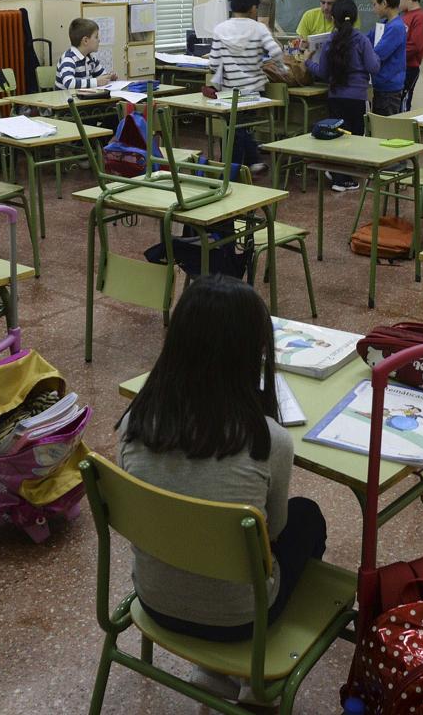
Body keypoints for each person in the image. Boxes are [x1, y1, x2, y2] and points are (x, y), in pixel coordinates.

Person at [118, 275, 328, 701]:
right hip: (242, 621)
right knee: (308, 518)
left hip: (153, 600)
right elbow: (272, 533)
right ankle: (258, 680)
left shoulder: (132, 423)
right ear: (252, 354)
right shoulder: (269, 440)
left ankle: (213, 670)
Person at [208, 0, 288, 173]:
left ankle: (238, 166)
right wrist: (281, 67)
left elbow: (213, 63)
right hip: (254, 92)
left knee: (235, 128)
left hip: (229, 93)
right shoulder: (259, 28)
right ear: (253, 7)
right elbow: (275, 50)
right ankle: (242, 166)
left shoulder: (220, 29)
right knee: (241, 128)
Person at [306, 0, 380, 192]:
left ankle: (338, 174)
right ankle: (344, 179)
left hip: (336, 96)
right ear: (355, 18)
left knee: (337, 137)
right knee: (354, 137)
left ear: (333, 19)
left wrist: (307, 62)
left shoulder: (331, 41)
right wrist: (376, 57)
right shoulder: (362, 40)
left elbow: (322, 72)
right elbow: (374, 67)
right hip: (357, 98)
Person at [366, 0, 407, 117]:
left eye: (374, 4)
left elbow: (378, 54)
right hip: (381, 86)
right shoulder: (384, 24)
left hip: (389, 90)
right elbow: (365, 40)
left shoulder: (396, 27)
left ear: (384, 3)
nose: (373, 9)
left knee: (385, 130)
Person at [395, 0, 423, 112]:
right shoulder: (403, 16)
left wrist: (395, 54)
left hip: (409, 68)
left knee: (403, 101)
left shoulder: (420, 17)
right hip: (399, 67)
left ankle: (404, 131)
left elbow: (415, 46)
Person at [55, 18, 114, 91]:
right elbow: (69, 83)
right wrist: (96, 81)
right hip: (65, 100)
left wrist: (109, 77)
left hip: (83, 98)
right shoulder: (68, 58)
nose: (99, 40)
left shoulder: (91, 58)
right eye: (96, 37)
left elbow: (101, 76)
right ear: (85, 40)